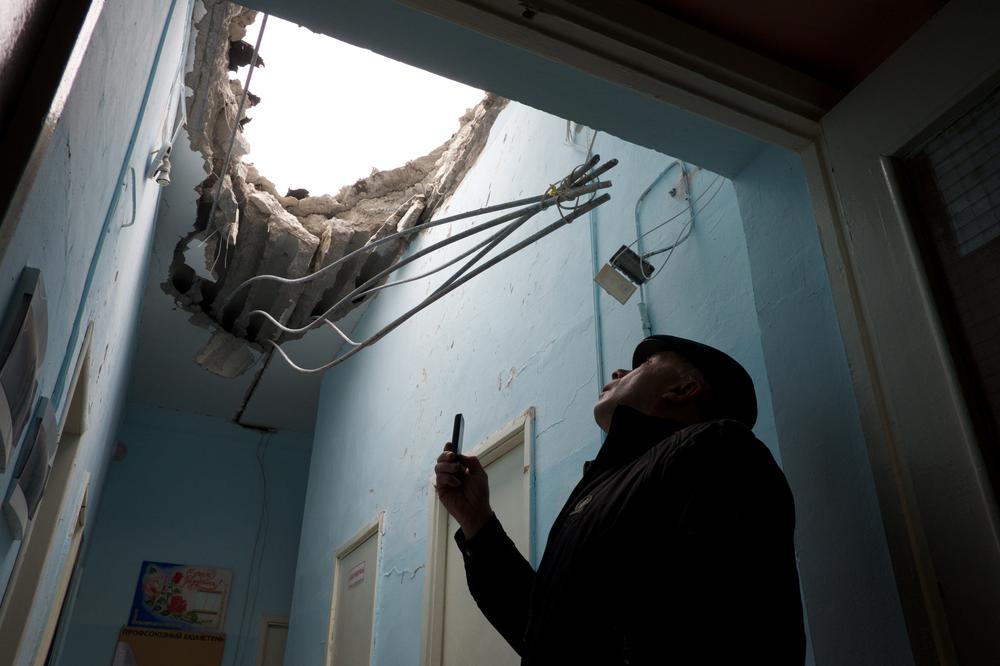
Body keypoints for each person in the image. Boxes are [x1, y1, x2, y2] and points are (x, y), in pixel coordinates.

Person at [434, 334, 806, 665]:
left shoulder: (716, 448)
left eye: (644, 364)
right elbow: (545, 634)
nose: (617, 371)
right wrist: (477, 521)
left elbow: (738, 632)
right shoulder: (604, 487)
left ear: (682, 390)